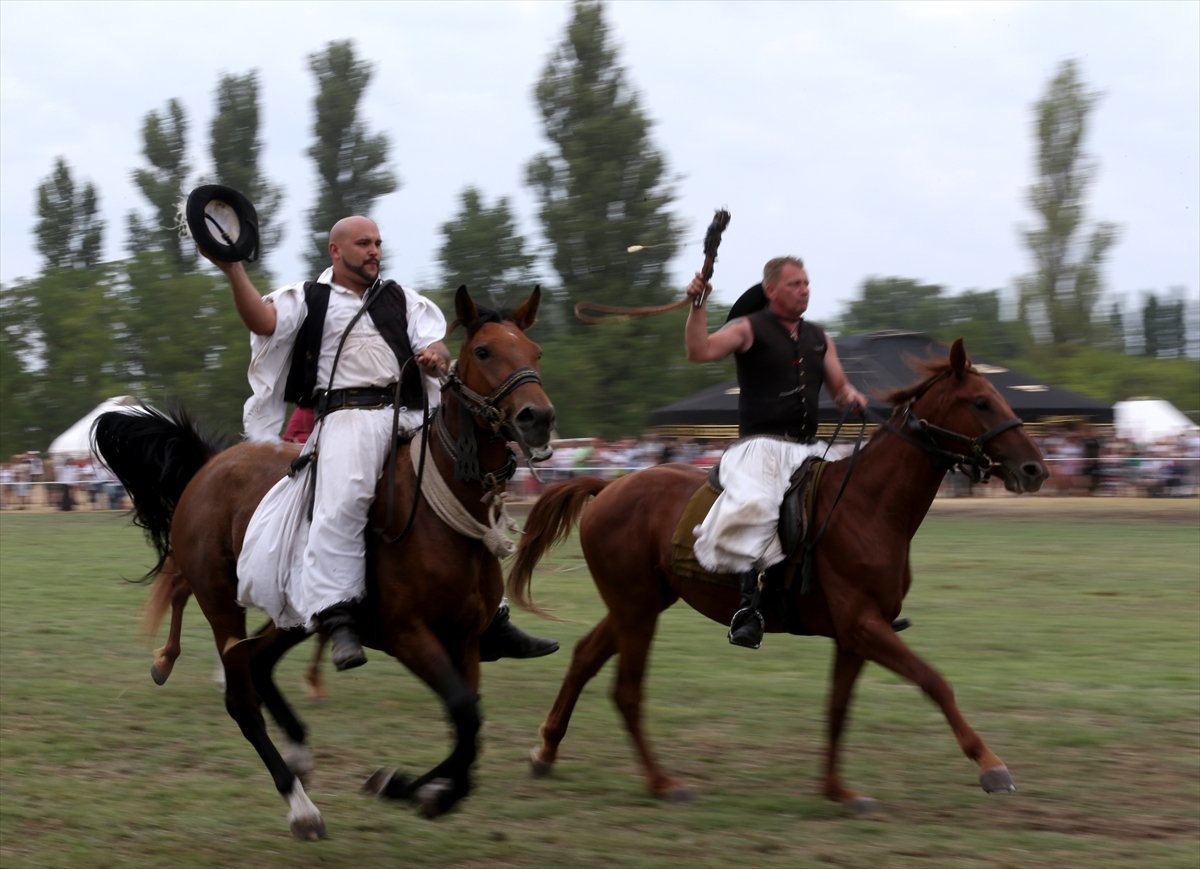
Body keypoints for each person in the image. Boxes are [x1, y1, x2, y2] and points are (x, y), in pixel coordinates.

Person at [203, 214, 557, 671]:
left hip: (411, 415)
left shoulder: (401, 299)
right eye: (363, 243)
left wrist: (435, 355)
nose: (374, 250)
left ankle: (494, 617)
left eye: (377, 243)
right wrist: (233, 269)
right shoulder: (308, 298)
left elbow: (440, 346)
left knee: (470, 494)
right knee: (345, 497)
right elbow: (263, 321)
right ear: (336, 251)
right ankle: (339, 613)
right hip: (346, 419)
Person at [684, 255, 868, 649]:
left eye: (806, 282)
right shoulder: (747, 328)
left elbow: (839, 389)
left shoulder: (821, 337)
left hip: (809, 449)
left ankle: (860, 596)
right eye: (795, 284)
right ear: (771, 291)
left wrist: (851, 396)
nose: (805, 289)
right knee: (758, 504)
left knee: (856, 498)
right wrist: (698, 306)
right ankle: (749, 609)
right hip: (758, 449)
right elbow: (698, 350)